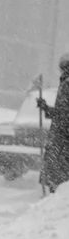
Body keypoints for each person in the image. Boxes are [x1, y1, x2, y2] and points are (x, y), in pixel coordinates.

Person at [37, 54, 69, 194]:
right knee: (56, 178)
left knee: (58, 180)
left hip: (62, 141)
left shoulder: (67, 85)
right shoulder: (65, 83)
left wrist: (48, 109)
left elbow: (63, 114)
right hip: (60, 140)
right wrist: (46, 108)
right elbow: (62, 113)